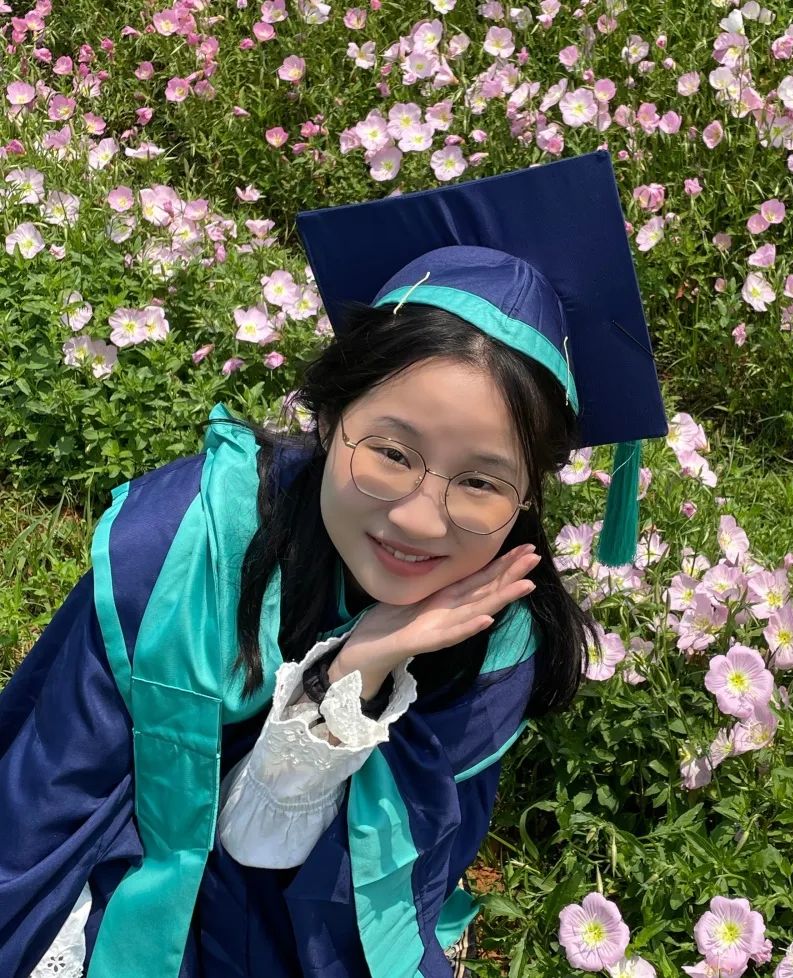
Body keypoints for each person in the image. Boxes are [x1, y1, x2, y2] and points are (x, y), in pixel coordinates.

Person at [0, 150, 667, 977]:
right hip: (118, 875)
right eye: (390, 451)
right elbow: (49, 801)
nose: (419, 518)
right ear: (325, 416)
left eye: (481, 482)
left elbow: (327, 877)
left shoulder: (500, 636)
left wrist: (359, 673)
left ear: (529, 496)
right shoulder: (180, 544)